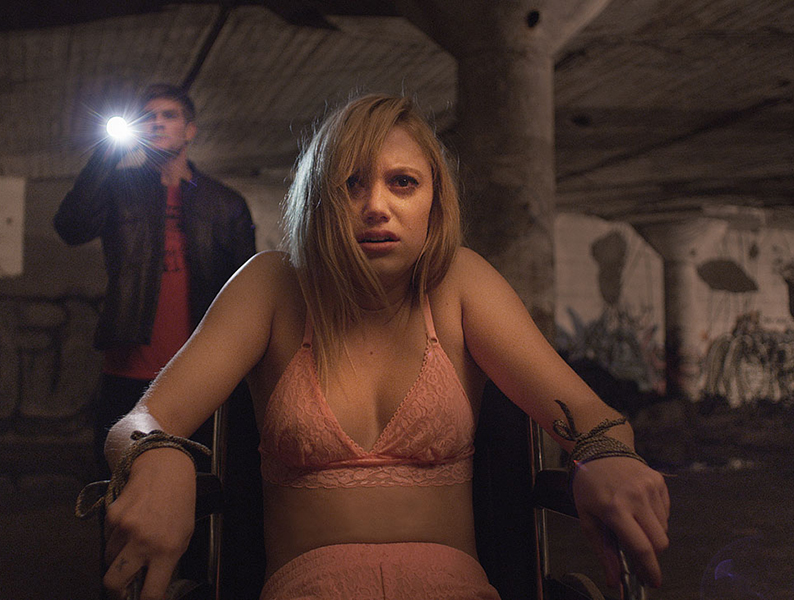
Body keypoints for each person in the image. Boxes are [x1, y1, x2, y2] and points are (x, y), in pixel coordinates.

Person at [100, 94, 669, 600]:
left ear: (434, 201)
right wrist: (157, 456)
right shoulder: (270, 284)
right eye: (351, 183)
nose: (376, 205)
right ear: (319, 199)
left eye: (403, 182)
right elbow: (140, 421)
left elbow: (593, 416)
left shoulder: (461, 282)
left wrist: (606, 456)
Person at [54, 83, 256, 476]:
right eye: (148, 116)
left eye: (169, 115)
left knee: (201, 484)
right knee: (119, 481)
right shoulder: (118, 189)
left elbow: (247, 290)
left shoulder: (225, 203)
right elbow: (70, 227)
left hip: (200, 372)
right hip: (128, 367)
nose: (157, 123)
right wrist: (105, 156)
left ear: (189, 130)